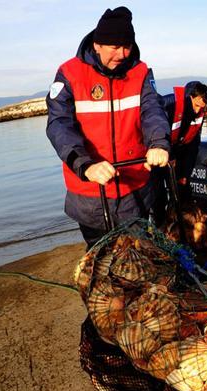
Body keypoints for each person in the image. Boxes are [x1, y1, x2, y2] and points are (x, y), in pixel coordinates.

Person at [46, 6, 170, 249]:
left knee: (140, 254)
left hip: (135, 188)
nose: (122, 54)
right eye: (115, 47)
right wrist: (85, 165)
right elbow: (59, 124)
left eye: (127, 46)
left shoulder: (141, 72)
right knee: (101, 258)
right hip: (90, 191)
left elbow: (152, 110)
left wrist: (159, 143)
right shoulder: (69, 73)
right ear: (97, 44)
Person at [153, 81, 207, 224]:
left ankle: (182, 226)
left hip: (179, 154)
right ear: (190, 97)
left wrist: (186, 173)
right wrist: (169, 155)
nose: (198, 111)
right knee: (157, 195)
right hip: (159, 153)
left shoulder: (199, 114)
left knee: (183, 191)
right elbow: (156, 132)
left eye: (201, 107)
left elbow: (194, 145)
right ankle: (159, 227)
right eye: (196, 105)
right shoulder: (168, 104)